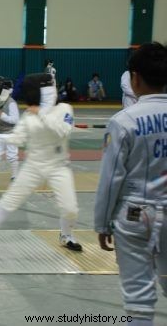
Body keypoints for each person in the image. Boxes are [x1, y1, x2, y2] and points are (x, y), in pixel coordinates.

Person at [0, 73, 82, 252]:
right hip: (34, 165)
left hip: (59, 166)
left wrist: (42, 114)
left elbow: (63, 131)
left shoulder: (65, 109)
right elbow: (17, 138)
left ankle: (66, 235)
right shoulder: (29, 114)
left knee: (70, 209)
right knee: (9, 200)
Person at [94, 42, 167, 326]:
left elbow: (111, 179)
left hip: (136, 216)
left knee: (139, 304)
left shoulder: (123, 121)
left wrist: (102, 224)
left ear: (135, 77)